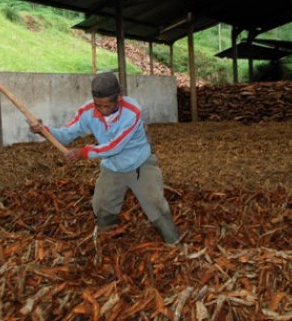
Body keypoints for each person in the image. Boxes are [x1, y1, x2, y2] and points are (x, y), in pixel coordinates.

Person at [29, 72, 180, 244]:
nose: (101, 110)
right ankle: (107, 241)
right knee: (102, 206)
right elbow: (66, 134)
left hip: (139, 164)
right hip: (112, 167)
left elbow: (115, 146)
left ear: (119, 97)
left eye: (107, 106)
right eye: (98, 105)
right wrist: (44, 130)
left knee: (155, 204)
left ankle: (174, 244)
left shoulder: (132, 111)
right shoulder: (88, 111)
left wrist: (83, 152)